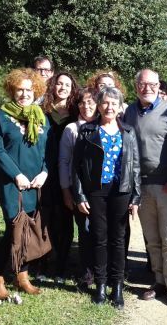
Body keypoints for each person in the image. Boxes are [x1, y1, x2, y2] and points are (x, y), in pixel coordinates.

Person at [122, 69, 167, 307]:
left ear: (159, 86)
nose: (146, 87)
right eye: (142, 83)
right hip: (141, 185)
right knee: (151, 238)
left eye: (152, 84)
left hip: (166, 185)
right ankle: (159, 281)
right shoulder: (129, 111)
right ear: (136, 85)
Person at [73, 87, 141, 310]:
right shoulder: (87, 131)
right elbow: (77, 167)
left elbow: (136, 166)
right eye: (105, 103)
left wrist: (136, 196)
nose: (109, 107)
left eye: (114, 103)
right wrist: (80, 194)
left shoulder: (128, 132)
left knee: (118, 239)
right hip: (97, 191)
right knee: (99, 238)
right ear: (99, 105)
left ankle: (117, 285)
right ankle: (101, 284)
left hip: (121, 191)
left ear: (120, 106)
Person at [0, 68, 51, 299]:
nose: (24, 94)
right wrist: (16, 175)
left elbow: (48, 151)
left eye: (29, 90)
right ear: (12, 91)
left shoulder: (41, 116)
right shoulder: (1, 116)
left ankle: (22, 276)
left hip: (35, 183)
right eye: (19, 90)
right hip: (11, 183)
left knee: (27, 229)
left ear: (36, 91)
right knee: (14, 228)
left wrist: (45, 172)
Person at [40, 71, 81, 283]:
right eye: (59, 84)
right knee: (46, 217)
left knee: (65, 219)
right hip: (45, 172)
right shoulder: (42, 112)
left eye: (67, 84)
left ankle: (62, 265)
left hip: (68, 173)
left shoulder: (76, 113)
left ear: (73, 88)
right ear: (53, 86)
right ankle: (43, 260)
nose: (63, 87)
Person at [59, 88, 97, 290]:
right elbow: (64, 161)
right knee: (85, 231)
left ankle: (103, 271)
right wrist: (66, 190)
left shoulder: (106, 125)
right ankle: (86, 273)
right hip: (79, 189)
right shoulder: (72, 129)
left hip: (102, 190)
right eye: (82, 102)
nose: (87, 106)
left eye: (91, 102)